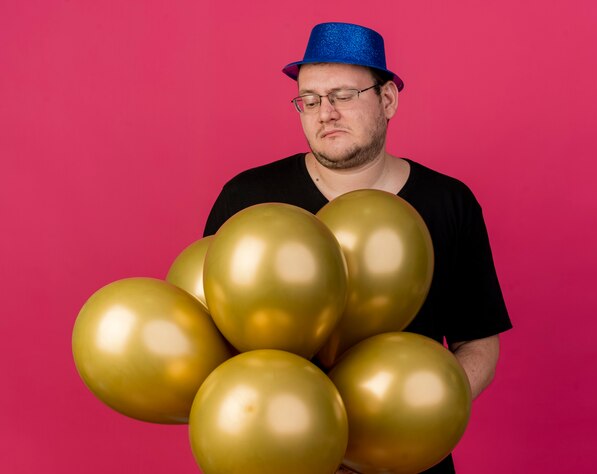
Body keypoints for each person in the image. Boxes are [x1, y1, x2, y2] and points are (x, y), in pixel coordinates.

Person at [203, 22, 512, 474]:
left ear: (387, 100)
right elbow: (208, 335)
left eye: (343, 96)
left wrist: (425, 407)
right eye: (309, 100)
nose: (325, 112)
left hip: (405, 459)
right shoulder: (248, 199)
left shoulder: (449, 201)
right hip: (278, 455)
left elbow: (478, 340)